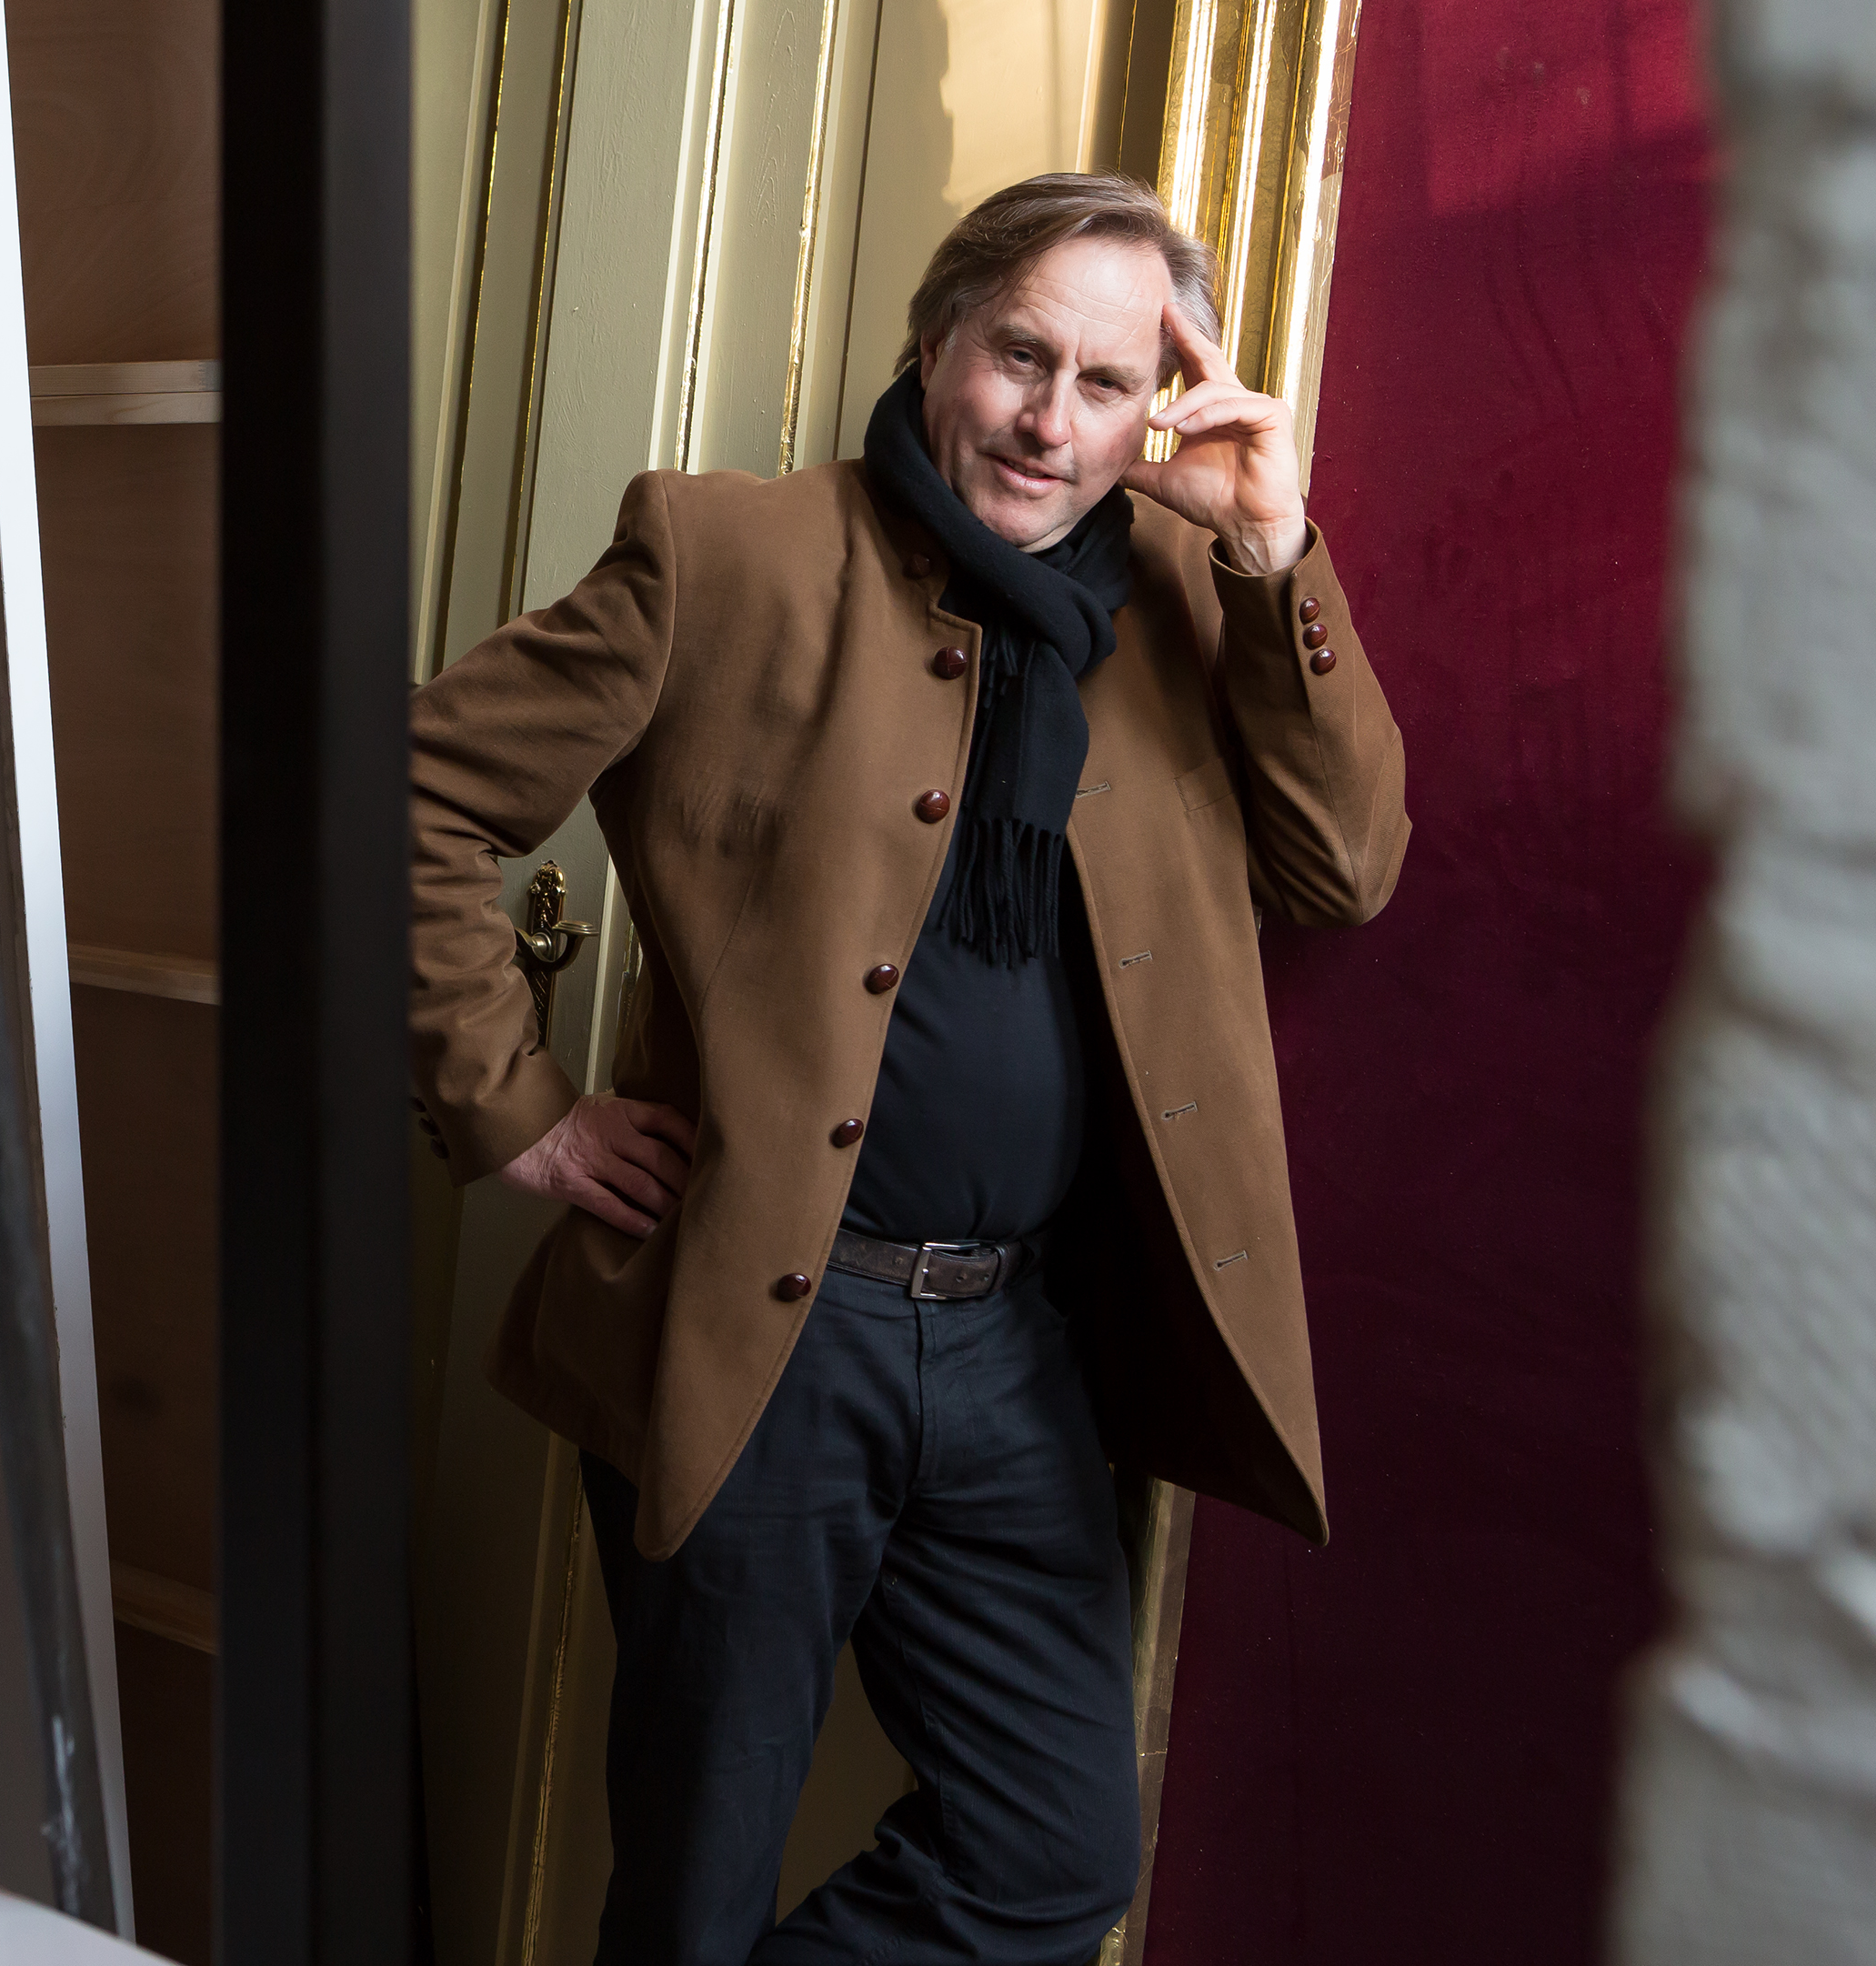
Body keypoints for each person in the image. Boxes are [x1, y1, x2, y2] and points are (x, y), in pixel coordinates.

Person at [406, 171, 1408, 1965]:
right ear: (936, 339)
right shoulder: (727, 555)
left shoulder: (1191, 596)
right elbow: (407, 793)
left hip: (1018, 1347)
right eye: (1019, 354)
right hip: (765, 1327)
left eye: (1106, 384)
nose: (1048, 419)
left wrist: (1273, 552)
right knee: (694, 1891)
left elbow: (1342, 868)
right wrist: (515, 1109)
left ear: (1154, 409)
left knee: (1052, 1852)